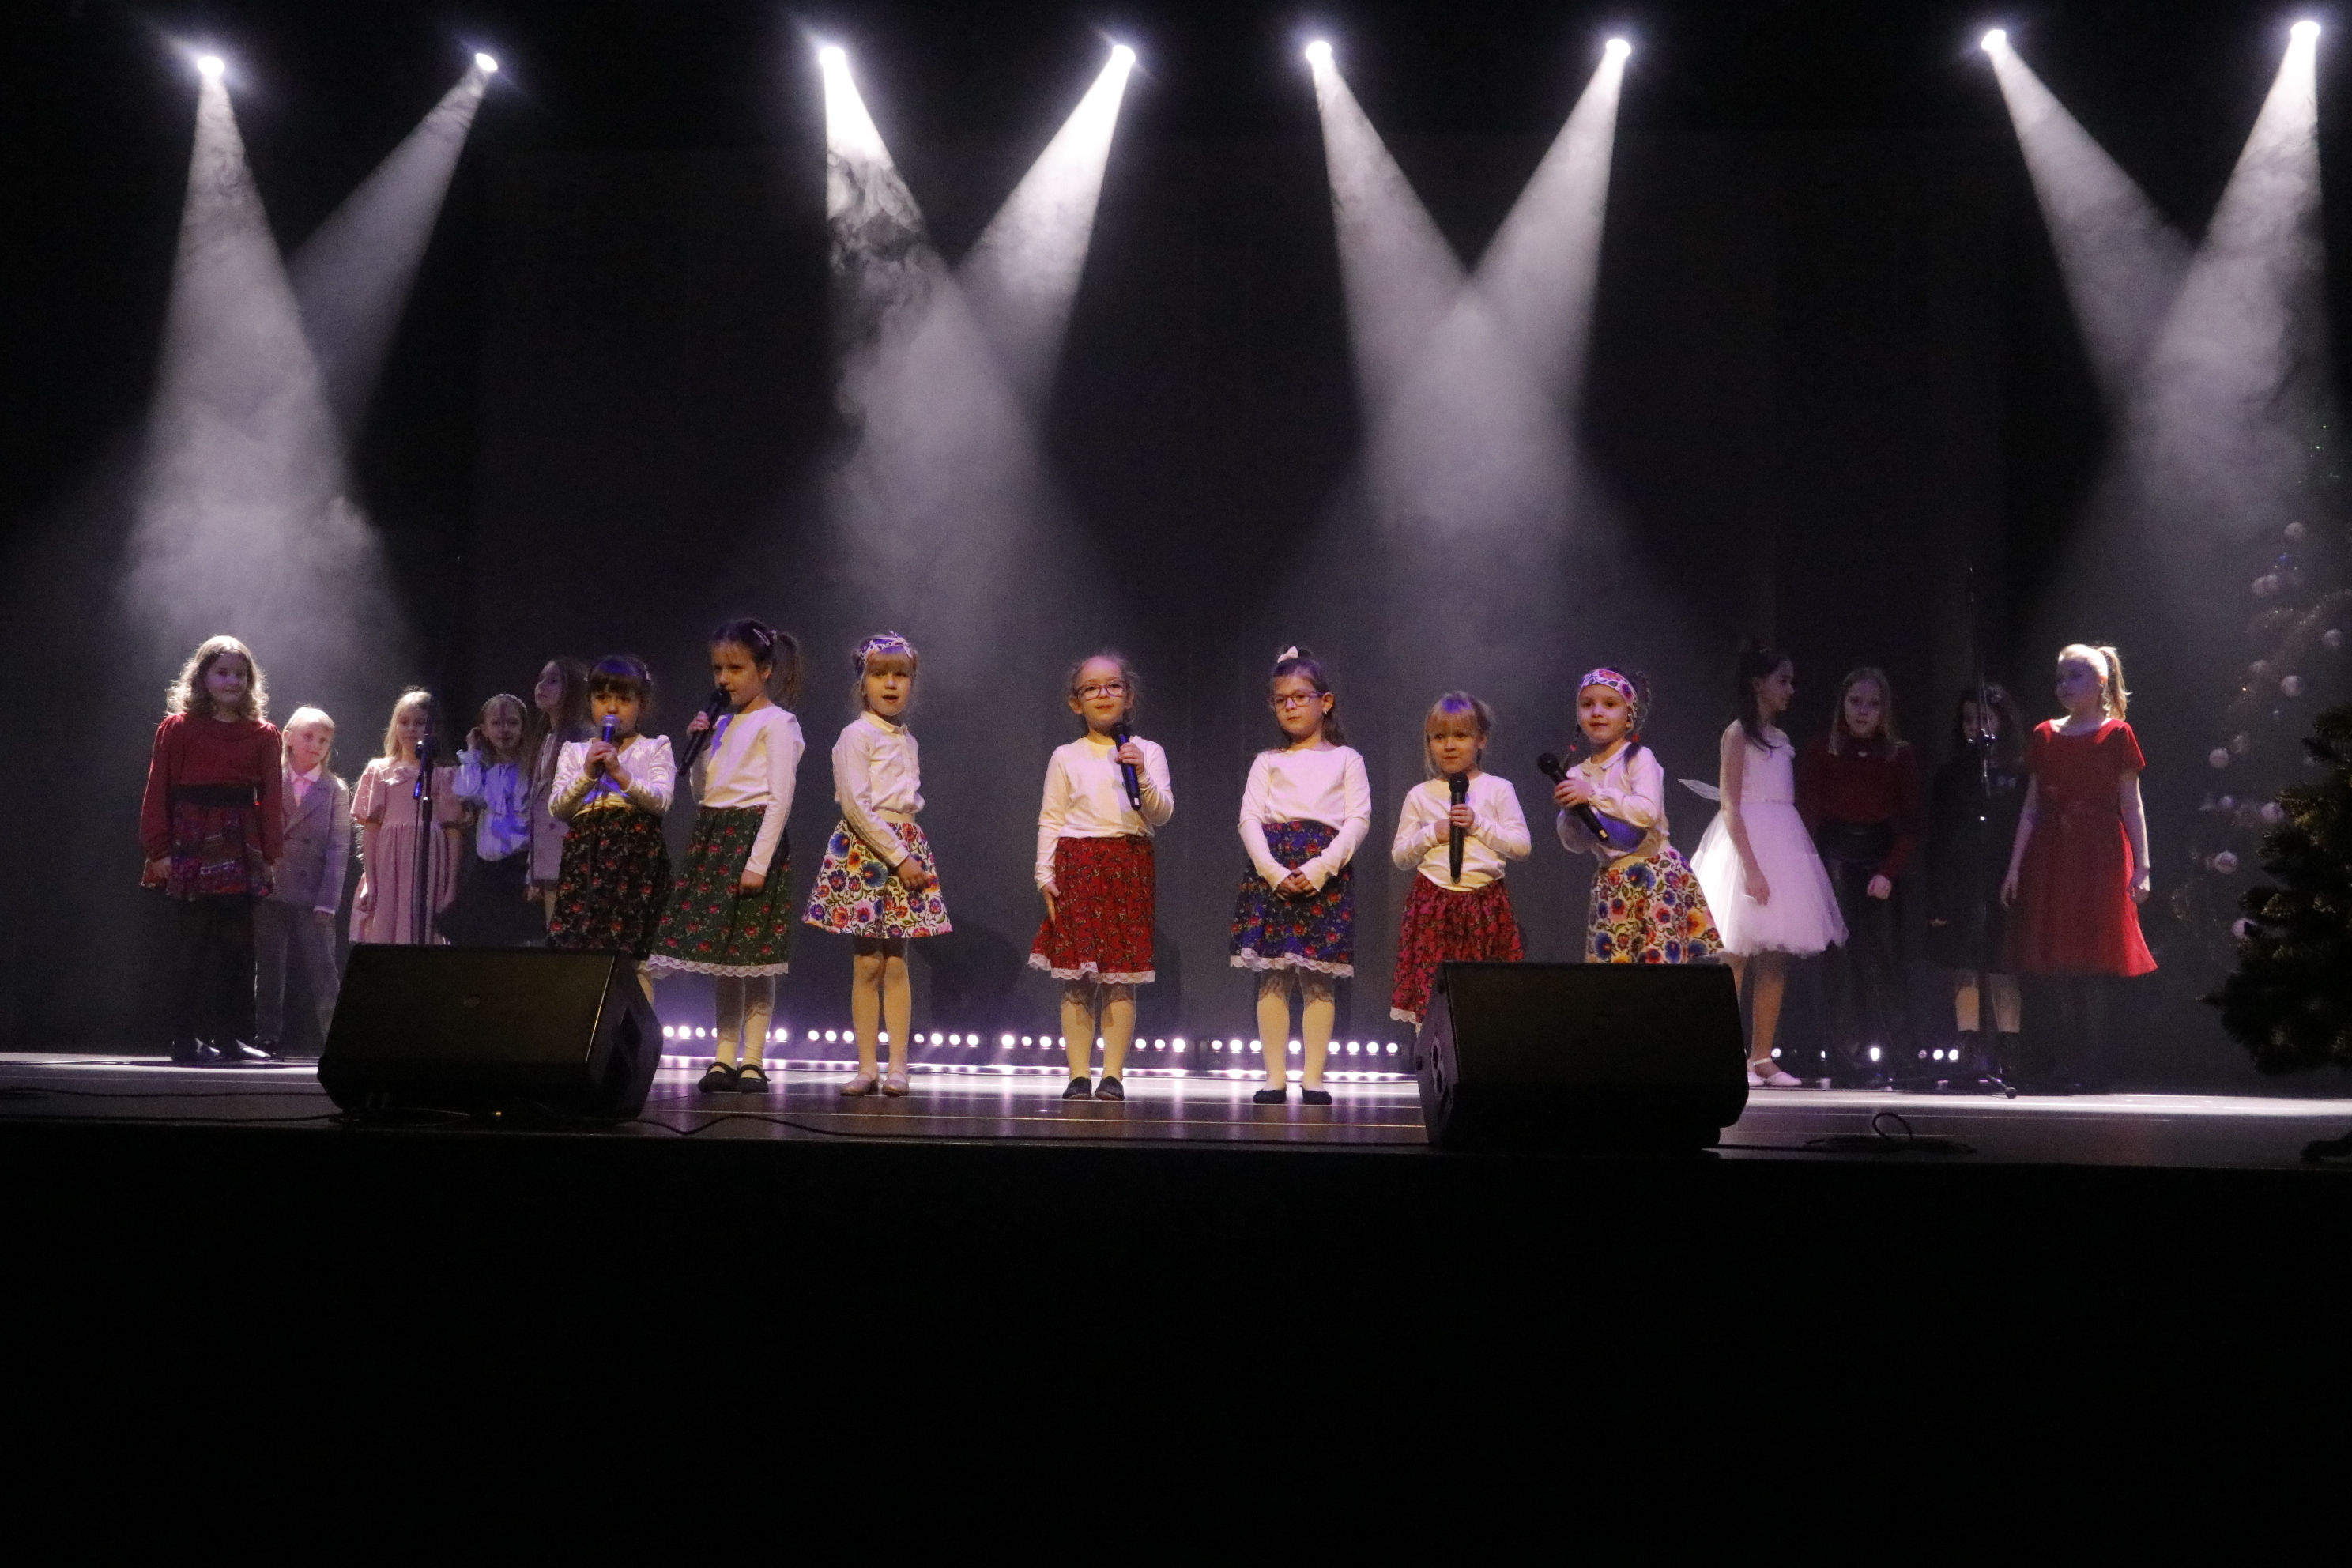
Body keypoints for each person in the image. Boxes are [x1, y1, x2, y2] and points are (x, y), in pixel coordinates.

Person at [648, 620, 805, 1096]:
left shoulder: (779, 723)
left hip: (753, 838)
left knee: (755, 955)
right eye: (718, 668)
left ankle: (753, 1059)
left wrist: (758, 862)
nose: (724, 678)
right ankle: (723, 1055)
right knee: (725, 956)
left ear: (765, 669)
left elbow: (780, 798)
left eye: (735, 668)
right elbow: (703, 793)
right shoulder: (720, 724)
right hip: (716, 835)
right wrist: (698, 750)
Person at [1689, 642, 1845, 1087]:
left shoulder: (1781, 740)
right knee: (1735, 953)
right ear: (1759, 684)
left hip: (1783, 843)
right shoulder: (1738, 734)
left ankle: (1762, 1056)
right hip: (1747, 846)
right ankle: (1726, 1053)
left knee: (1776, 955)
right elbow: (1730, 805)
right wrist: (1751, 867)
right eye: (1783, 681)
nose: (1791, 689)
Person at [2001, 643, 2155, 1093]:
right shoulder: (2044, 735)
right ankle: (2066, 1063)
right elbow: (2031, 807)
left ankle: (2094, 1065)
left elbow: (2132, 804)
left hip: (2100, 855)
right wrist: (2014, 867)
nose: (2065, 685)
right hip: (2054, 855)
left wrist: (2143, 866)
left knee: (2094, 961)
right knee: (2058, 961)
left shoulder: (2118, 734)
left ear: (2101, 683)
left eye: (2075, 676)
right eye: (2061, 678)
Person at [804, 634, 951, 1097]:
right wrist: (900, 857)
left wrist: (910, 851)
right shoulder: (857, 735)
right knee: (867, 962)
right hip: (869, 850)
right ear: (862, 682)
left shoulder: (907, 738)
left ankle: (898, 1066)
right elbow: (856, 805)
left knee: (897, 962)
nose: (890, 684)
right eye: (879, 674)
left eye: (900, 675)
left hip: (905, 840)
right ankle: (867, 1065)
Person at [1031, 653, 1174, 1102]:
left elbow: (1161, 813)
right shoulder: (1065, 756)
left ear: (1128, 696)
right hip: (1077, 864)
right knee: (1077, 975)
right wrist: (1044, 874)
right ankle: (1078, 1073)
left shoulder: (1148, 751)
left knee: (1120, 974)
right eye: (1091, 688)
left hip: (1128, 862)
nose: (1103, 694)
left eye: (1113, 686)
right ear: (1076, 702)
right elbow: (1051, 818)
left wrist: (1141, 773)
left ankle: (1113, 1074)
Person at [1231, 646, 1372, 1106]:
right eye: (1281, 699)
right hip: (1273, 871)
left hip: (1324, 873)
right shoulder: (1267, 761)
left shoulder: (1347, 759)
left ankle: (1314, 1078)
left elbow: (1357, 820)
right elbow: (1249, 819)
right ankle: (1275, 1077)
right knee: (1274, 975)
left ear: (1324, 702)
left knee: (1318, 979)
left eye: (1300, 697)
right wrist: (1274, 872)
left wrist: (1318, 869)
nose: (1290, 706)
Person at [140, 635, 284, 1062]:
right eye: (222, 673)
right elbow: (158, 789)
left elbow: (272, 799)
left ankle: (230, 1037)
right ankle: (184, 1039)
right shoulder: (178, 728)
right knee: (192, 942)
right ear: (203, 677)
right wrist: (158, 849)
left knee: (237, 945)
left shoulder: (263, 735)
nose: (232, 681)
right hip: (192, 837)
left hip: (240, 842)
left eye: (240, 674)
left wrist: (270, 856)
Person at [1797, 667, 1921, 1086]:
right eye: (1855, 702)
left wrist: (1888, 872)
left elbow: (1912, 825)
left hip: (1881, 854)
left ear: (1885, 710)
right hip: (1835, 854)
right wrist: (1811, 870)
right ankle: (1846, 1058)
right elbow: (1809, 816)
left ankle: (1903, 1057)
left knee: (1887, 959)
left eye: (1872, 704)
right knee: (1841, 958)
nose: (1863, 712)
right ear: (1842, 705)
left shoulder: (1899, 754)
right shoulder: (1822, 750)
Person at [1553, 668, 1721, 966]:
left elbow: (1646, 812)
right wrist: (1570, 814)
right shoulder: (1577, 774)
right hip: (1612, 880)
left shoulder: (1639, 758)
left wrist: (1593, 795)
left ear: (1629, 716)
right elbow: (1576, 844)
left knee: (1658, 967)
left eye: (1609, 704)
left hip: (1654, 875)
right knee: (1615, 971)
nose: (1597, 712)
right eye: (1588, 704)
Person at [1389, 691, 1529, 1028]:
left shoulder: (1498, 789)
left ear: (1481, 740)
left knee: (1481, 993)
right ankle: (1431, 1053)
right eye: (1439, 737)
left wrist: (1478, 824)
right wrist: (1431, 833)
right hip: (1433, 903)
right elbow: (1400, 856)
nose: (1449, 746)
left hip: (1484, 902)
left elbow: (1521, 846)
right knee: (1431, 992)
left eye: (1460, 736)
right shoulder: (1420, 795)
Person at [548, 656, 677, 1001]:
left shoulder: (655, 747)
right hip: (587, 859)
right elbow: (558, 807)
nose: (612, 708)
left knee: (635, 958)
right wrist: (588, 774)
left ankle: (637, 1031)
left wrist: (620, 773)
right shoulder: (574, 752)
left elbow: (662, 801)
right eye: (603, 698)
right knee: (581, 951)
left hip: (635, 860)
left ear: (642, 704)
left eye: (624, 699)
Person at [1925, 683, 2029, 1088]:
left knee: (2004, 965)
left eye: (1985, 718)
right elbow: (1938, 837)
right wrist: (1939, 896)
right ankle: (1967, 1053)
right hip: (1961, 879)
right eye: (1969, 719)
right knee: (1964, 962)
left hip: (2004, 876)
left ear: (2003, 720)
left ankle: (2010, 1054)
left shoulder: (2019, 771)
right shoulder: (1952, 774)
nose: (1976, 727)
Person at [254, 707, 349, 1054]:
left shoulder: (334, 789)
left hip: (313, 893)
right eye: (308, 736)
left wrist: (329, 900)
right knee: (269, 966)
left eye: (323, 740)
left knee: (323, 967)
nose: (316, 745)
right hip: (271, 885)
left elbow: (339, 849)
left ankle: (334, 1037)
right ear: (289, 738)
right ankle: (266, 1035)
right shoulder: (269, 780)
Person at [350, 689, 463, 947]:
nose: (411, 729)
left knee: (424, 928)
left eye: (420, 723)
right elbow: (371, 828)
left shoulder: (445, 774)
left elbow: (454, 833)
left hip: (429, 863)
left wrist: (450, 889)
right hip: (390, 863)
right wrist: (371, 881)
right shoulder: (379, 770)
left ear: (433, 729)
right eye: (404, 722)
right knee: (386, 929)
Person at [441, 693, 545, 948]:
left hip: (520, 867)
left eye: (512, 723)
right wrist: (473, 751)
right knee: (474, 939)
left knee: (516, 941)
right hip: (488, 869)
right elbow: (466, 791)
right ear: (484, 730)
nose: (504, 730)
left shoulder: (532, 768)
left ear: (523, 728)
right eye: (496, 724)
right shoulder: (484, 769)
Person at [523, 658, 592, 928]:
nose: (542, 686)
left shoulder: (584, 738)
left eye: (553, 681)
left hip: (571, 854)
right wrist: (534, 871)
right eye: (541, 679)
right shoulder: (545, 739)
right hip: (549, 859)